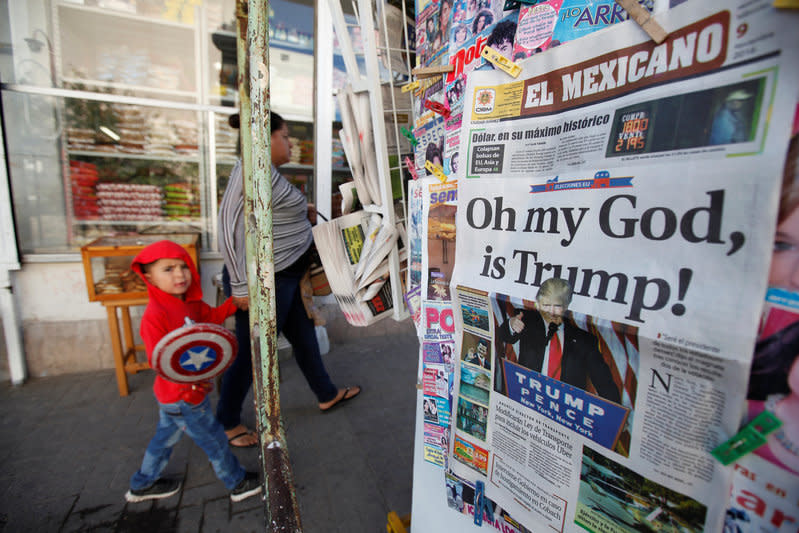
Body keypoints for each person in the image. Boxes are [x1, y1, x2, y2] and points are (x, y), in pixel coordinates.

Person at [217, 111, 361, 448]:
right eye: (285, 136)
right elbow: (226, 227)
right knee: (252, 353)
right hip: (266, 283)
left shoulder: (267, 173)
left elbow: (269, 212)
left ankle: (326, 394)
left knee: (305, 338)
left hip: (287, 277)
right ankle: (226, 421)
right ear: (266, 140)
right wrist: (239, 287)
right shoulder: (252, 171)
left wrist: (302, 210)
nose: (290, 143)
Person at [125, 240, 261, 503]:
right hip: (183, 396)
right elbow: (161, 360)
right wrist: (189, 385)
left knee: (163, 441)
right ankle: (237, 483)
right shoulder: (155, 315)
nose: (179, 274)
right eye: (168, 269)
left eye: (183, 266)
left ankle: (142, 484)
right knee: (215, 440)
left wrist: (237, 301)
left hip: (179, 396)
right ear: (149, 277)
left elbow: (213, 317)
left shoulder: (190, 305)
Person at [496, 277, 621, 403]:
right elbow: (504, 336)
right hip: (528, 398)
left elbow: (604, 383)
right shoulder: (528, 320)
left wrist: (615, 413)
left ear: (566, 306)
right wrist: (511, 324)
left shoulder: (585, 341)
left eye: (557, 306)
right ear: (538, 304)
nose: (551, 312)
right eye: (546, 305)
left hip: (562, 407)